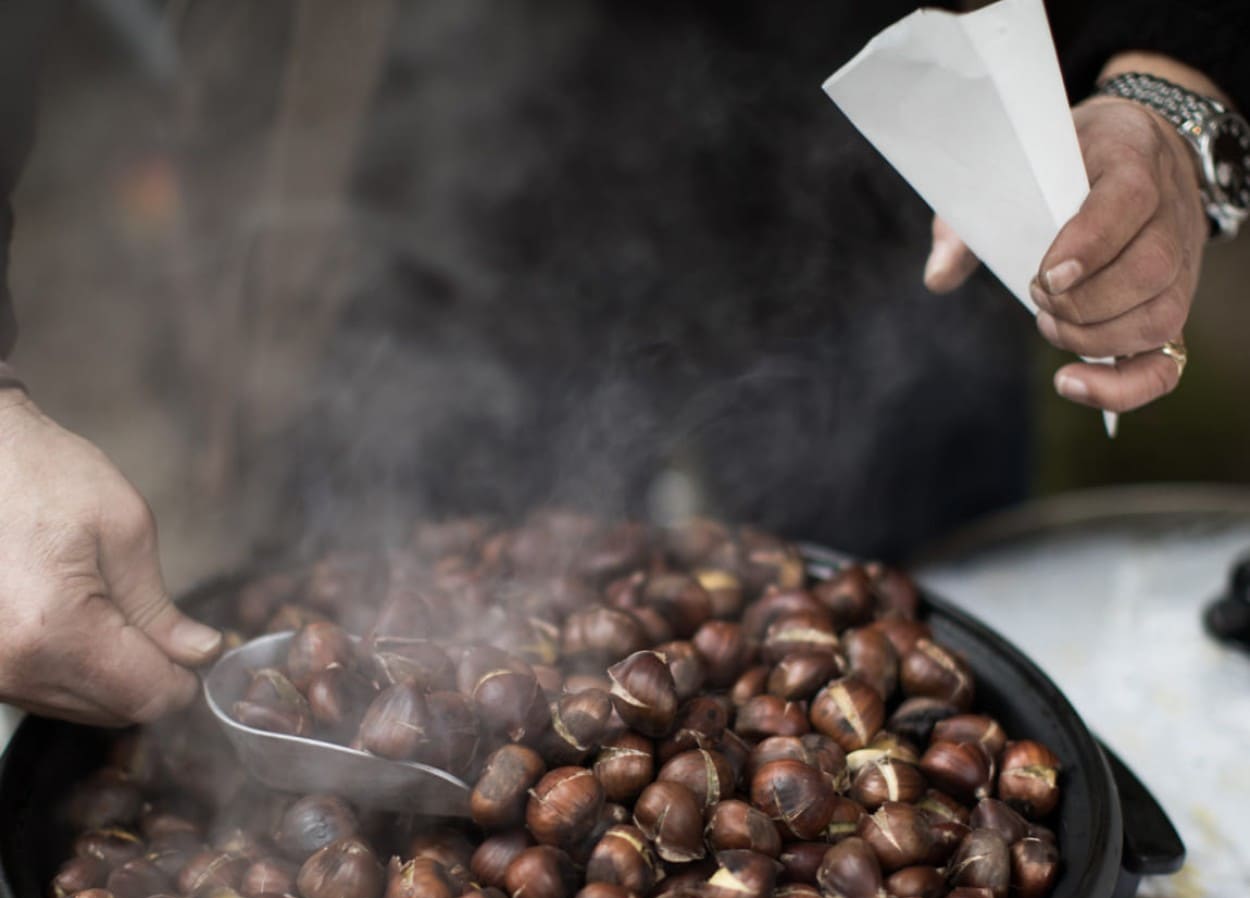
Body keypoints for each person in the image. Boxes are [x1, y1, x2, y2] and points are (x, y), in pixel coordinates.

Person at [0, 1, 1245, 728]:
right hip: (417, 176)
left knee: (916, 660)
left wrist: (1174, 82)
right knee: (386, 646)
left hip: (906, 184)